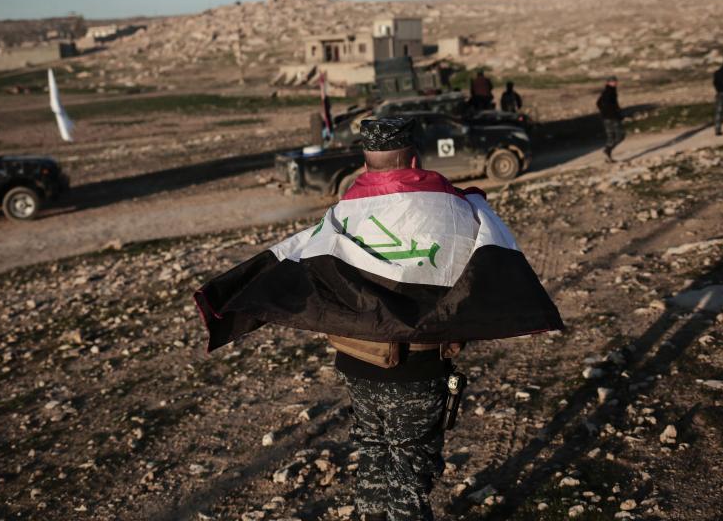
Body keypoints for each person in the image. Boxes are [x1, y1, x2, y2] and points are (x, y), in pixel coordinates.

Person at [194, 118, 562, 521]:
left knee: (372, 452)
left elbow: (298, 260)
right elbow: (486, 270)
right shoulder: (457, 209)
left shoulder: (341, 214)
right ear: (415, 157)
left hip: (357, 364)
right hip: (417, 367)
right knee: (410, 466)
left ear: (366, 163)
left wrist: (233, 298)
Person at [596, 75, 624, 162]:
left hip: (607, 117)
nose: (615, 83)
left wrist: (604, 112)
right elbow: (603, 104)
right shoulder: (609, 92)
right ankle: (608, 150)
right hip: (612, 118)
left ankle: (608, 154)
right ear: (608, 83)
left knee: (611, 137)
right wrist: (612, 113)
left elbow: (599, 103)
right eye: (612, 81)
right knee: (620, 136)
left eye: (615, 81)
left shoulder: (609, 91)